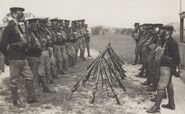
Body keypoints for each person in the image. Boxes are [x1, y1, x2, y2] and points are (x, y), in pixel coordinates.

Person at [0, 7, 38, 107]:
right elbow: (3, 45)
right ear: (14, 14)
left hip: (22, 57)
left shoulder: (19, 27)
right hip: (14, 58)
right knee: (14, 80)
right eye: (20, 13)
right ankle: (16, 101)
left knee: (29, 76)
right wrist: (8, 59)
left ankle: (31, 97)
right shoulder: (9, 28)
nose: (22, 15)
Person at [147, 26, 180, 113]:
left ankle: (156, 107)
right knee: (169, 85)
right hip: (165, 66)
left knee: (161, 86)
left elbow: (177, 58)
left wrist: (173, 68)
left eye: (163, 30)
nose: (161, 31)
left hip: (167, 67)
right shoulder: (165, 41)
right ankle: (171, 104)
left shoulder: (172, 43)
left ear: (168, 32)